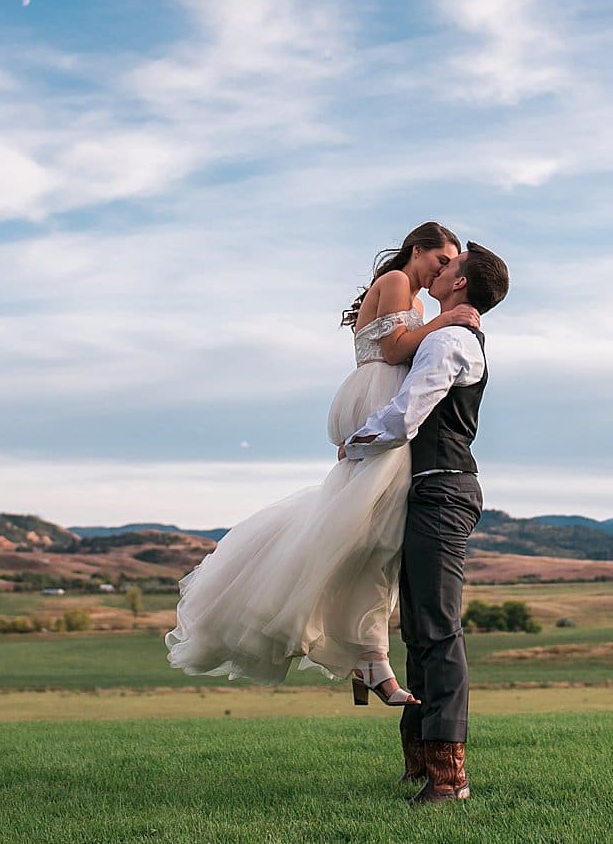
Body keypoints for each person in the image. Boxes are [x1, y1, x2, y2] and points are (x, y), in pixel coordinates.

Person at [164, 222, 480, 705]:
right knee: (371, 535)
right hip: (377, 393)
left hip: (383, 398)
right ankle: (364, 656)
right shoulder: (398, 283)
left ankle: (369, 657)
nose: (442, 270)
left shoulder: (414, 300)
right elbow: (394, 349)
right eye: (440, 260)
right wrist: (447, 321)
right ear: (417, 251)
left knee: (373, 535)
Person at [341, 240, 509, 806]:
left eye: (450, 265)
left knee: (438, 631)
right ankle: (420, 764)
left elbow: (409, 412)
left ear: (461, 282)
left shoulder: (454, 340)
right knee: (418, 631)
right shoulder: (442, 332)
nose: (440, 269)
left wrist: (355, 444)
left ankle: (450, 776)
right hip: (427, 489)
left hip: (443, 487)